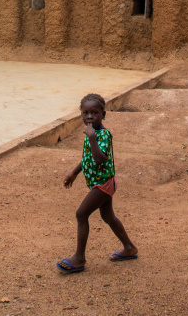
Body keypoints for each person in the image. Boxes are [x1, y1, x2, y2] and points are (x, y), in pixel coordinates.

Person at [56, 93, 137, 274]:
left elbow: (99, 159)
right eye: (85, 113)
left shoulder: (103, 135)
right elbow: (87, 158)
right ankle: (129, 247)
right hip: (99, 183)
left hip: (104, 183)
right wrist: (74, 173)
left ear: (103, 114)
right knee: (108, 217)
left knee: (81, 214)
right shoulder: (91, 133)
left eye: (95, 112)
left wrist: (92, 137)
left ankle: (79, 258)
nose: (90, 116)